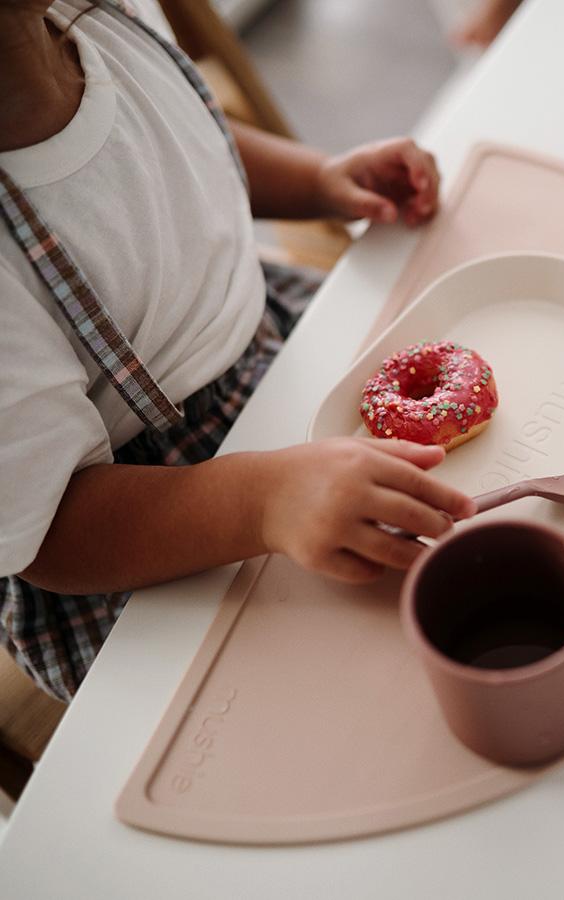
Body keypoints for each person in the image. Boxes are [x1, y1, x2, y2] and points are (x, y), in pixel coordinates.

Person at [0, 0, 476, 701]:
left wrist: (318, 181)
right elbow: (54, 535)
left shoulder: (94, 16)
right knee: (365, 692)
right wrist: (263, 503)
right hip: (148, 527)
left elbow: (172, 141)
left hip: (270, 333)